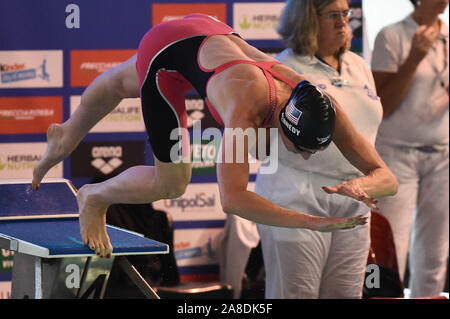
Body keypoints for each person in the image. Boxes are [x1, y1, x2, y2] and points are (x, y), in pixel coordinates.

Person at [32, 13, 396, 261]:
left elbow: (387, 178)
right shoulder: (246, 111)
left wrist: (365, 185)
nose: (303, 157)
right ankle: (95, 197)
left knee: (117, 82)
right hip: (168, 53)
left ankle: (67, 134)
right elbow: (233, 200)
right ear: (283, 125)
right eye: (299, 148)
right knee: (172, 182)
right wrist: (314, 223)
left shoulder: (321, 103)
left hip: (206, 32)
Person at [250, 0, 389, 299]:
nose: (343, 22)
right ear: (307, 20)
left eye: (346, 14)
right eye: (333, 15)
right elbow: (255, 145)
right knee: (295, 295)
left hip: (353, 199)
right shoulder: (281, 70)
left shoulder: (359, 65)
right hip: (295, 197)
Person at [371, 0, 449, 297]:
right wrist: (414, 59)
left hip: (442, 153)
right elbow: (383, 107)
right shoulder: (392, 35)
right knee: (393, 247)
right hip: (397, 154)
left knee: (435, 254)